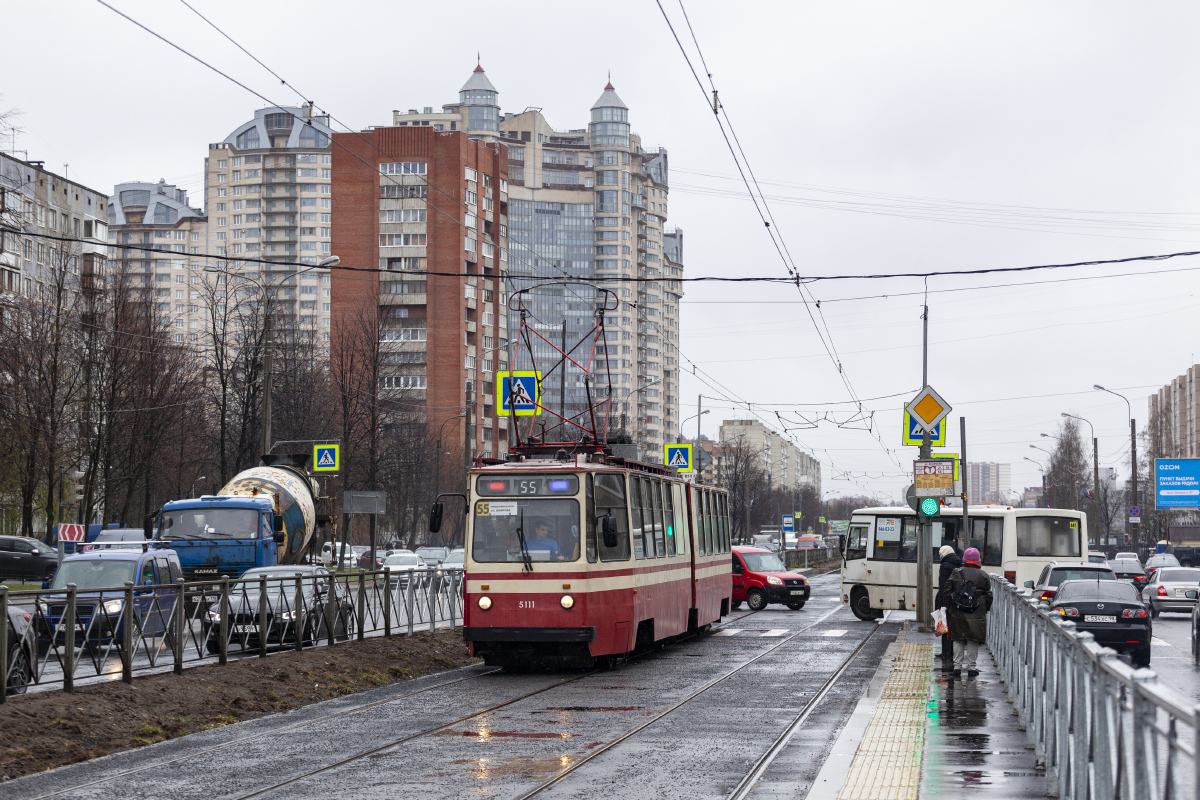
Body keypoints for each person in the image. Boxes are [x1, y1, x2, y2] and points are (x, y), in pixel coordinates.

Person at [943, 546, 992, 678]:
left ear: (964, 559)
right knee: (973, 639)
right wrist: (986, 608)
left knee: (958, 638)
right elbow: (988, 595)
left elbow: (947, 590)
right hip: (977, 610)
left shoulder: (956, 572)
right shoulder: (983, 575)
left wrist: (949, 605)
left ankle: (957, 667)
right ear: (978, 561)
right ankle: (971, 667)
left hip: (958, 609)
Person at [935, 544, 961, 672]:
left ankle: (946, 652)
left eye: (940, 554)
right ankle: (951, 651)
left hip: (946, 600)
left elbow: (943, 586)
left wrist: (941, 603)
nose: (940, 556)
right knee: (953, 626)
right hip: (957, 599)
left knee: (943, 626)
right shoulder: (959, 563)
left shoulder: (944, 566)